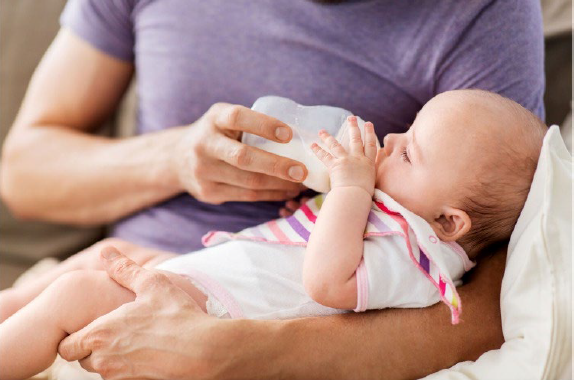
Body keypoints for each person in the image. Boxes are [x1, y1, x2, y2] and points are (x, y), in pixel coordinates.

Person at [0, 1, 544, 378]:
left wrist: (229, 352)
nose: (391, 137)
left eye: (408, 150)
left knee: (77, 292)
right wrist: (171, 160)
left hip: (230, 309)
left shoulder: (420, 249)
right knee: (92, 263)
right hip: (207, 264)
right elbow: (21, 175)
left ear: (450, 223)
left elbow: (501, 292)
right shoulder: (389, 213)